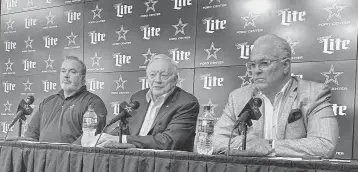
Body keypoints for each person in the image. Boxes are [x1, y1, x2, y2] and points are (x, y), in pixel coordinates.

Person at [213, 34, 339, 158]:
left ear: (285, 65)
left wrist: (269, 145)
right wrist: (244, 144)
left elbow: (325, 145)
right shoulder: (238, 97)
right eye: (252, 65)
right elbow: (213, 141)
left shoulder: (313, 94)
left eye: (264, 63)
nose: (256, 70)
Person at [94, 54, 199, 151]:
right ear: (147, 77)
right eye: (152, 75)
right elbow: (125, 127)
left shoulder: (187, 103)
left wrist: (124, 139)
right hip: (132, 158)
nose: (157, 80)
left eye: (164, 75)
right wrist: (106, 138)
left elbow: (168, 141)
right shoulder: (137, 98)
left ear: (175, 79)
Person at [24, 56, 107, 143]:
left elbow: (90, 139)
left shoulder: (93, 103)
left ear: (83, 78)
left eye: (72, 72)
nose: (66, 75)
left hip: (72, 156)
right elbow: (30, 135)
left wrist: (63, 155)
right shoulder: (47, 102)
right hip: (42, 156)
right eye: (63, 71)